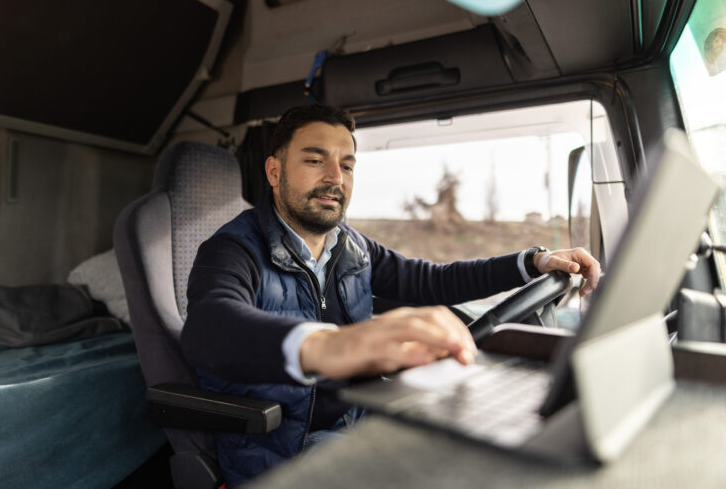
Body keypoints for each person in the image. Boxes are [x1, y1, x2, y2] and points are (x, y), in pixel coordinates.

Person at [180, 104, 601, 486]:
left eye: (347, 165)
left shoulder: (350, 246)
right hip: (285, 445)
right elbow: (209, 328)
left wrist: (532, 262)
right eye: (315, 160)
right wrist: (330, 343)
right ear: (274, 172)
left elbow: (431, 281)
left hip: (364, 413)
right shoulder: (233, 248)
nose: (335, 178)